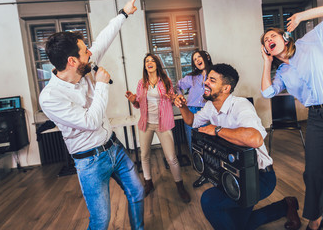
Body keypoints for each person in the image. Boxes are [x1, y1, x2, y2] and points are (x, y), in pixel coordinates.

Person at [39, 0, 145, 230]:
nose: (90, 51)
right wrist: (101, 86)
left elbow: (105, 38)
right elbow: (90, 121)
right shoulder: (50, 97)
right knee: (101, 220)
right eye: (84, 50)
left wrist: (124, 13)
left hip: (114, 148)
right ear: (71, 61)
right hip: (90, 162)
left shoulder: (84, 64)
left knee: (137, 192)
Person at [174, 63, 301, 230]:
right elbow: (191, 121)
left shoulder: (241, 105)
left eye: (212, 80)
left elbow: (255, 139)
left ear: (226, 88)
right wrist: (183, 106)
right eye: (207, 79)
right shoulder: (211, 106)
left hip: (259, 177)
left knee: (208, 200)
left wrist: (217, 130)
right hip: (234, 173)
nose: (205, 82)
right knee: (242, 225)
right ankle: (286, 205)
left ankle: (284, 205)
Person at [260, 6, 323, 230]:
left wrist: (301, 17)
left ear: (285, 38)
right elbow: (267, 92)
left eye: (272, 35)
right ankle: (316, 217)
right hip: (316, 117)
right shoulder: (282, 74)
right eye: (266, 40)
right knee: (313, 171)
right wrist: (267, 63)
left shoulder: (311, 39)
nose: (269, 39)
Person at [125, 53, 191, 203]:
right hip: (146, 124)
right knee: (144, 155)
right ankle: (148, 183)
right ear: (145, 65)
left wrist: (177, 98)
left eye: (152, 60)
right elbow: (138, 104)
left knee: (171, 157)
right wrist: (133, 100)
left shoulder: (165, 81)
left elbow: (172, 97)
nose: (149, 62)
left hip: (163, 124)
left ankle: (180, 186)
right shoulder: (142, 83)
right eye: (146, 60)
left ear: (157, 64)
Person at [176, 50, 213, 188]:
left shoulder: (215, 74)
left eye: (199, 57)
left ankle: (213, 173)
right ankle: (203, 174)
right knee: (194, 144)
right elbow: (177, 86)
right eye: (194, 59)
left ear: (206, 57)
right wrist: (180, 96)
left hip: (208, 111)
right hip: (191, 111)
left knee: (210, 144)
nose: (197, 60)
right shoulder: (191, 78)